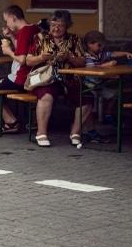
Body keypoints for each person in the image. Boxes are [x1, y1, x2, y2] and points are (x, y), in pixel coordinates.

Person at [24, 10, 90, 147]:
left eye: (60, 25)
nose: (56, 28)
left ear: (67, 26)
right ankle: (41, 133)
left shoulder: (74, 39)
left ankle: (75, 132)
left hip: (69, 79)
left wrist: (69, 57)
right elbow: (28, 61)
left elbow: (82, 62)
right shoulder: (39, 37)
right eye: (53, 25)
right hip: (45, 79)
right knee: (46, 96)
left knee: (87, 97)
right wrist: (41, 57)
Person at [0, 5, 38, 133]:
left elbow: (22, 59)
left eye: (7, 20)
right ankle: (13, 121)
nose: (7, 24)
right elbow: (22, 49)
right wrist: (11, 36)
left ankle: (11, 122)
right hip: (31, 77)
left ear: (14, 17)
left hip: (19, 78)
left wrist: (8, 52)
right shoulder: (32, 28)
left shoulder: (23, 32)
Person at [81, 30, 132, 142]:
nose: (101, 48)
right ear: (90, 44)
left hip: (100, 84)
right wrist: (106, 66)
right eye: (99, 45)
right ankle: (89, 130)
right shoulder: (86, 56)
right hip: (89, 86)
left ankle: (108, 113)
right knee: (90, 106)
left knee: (115, 93)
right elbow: (91, 69)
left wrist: (126, 53)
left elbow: (112, 53)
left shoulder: (101, 53)